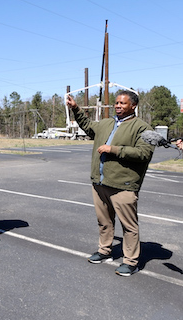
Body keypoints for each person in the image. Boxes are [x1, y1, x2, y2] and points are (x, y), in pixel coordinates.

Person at [66, 91, 154, 276]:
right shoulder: (106, 123)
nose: (118, 106)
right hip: (100, 183)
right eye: (116, 103)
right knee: (104, 221)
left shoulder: (142, 127)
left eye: (123, 103)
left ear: (133, 106)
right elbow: (88, 126)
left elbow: (143, 153)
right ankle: (105, 251)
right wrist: (75, 108)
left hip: (124, 185)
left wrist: (113, 149)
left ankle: (130, 262)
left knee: (129, 226)